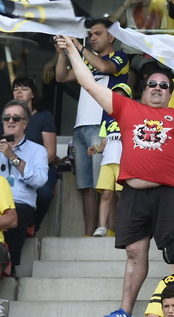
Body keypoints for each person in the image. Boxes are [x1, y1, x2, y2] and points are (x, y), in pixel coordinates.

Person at [56, 35, 174, 317]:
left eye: (163, 86)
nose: (157, 88)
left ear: (170, 94)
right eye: (152, 84)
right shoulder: (127, 108)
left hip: (169, 194)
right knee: (133, 254)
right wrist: (73, 49)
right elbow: (89, 83)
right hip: (133, 193)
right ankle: (124, 311)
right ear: (143, 91)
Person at [55, 18, 129, 237]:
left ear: (111, 37)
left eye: (97, 34)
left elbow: (105, 66)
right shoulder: (87, 60)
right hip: (80, 127)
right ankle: (89, 234)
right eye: (91, 34)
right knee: (86, 186)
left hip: (103, 126)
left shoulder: (120, 56)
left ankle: (110, 232)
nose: (92, 38)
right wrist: (63, 51)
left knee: (105, 185)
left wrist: (79, 47)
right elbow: (61, 76)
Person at [0, 100, 48, 270]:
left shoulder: (38, 151)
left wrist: (12, 156)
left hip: (20, 205)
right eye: (6, 118)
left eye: (16, 118)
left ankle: (10, 267)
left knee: (16, 217)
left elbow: (40, 181)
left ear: (25, 124)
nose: (10, 121)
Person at [12, 76, 57, 231]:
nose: (19, 92)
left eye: (24, 89)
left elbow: (51, 153)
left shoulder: (44, 116)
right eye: (16, 88)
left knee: (44, 194)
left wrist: (29, 170)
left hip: (40, 166)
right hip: (11, 167)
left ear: (33, 94)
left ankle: (32, 225)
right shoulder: (7, 118)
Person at [88, 82, 132, 236]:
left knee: (123, 195)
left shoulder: (131, 118)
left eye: (121, 97)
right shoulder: (107, 121)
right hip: (107, 161)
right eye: (115, 97)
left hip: (123, 162)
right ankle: (102, 226)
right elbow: (103, 144)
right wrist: (96, 149)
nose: (117, 100)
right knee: (106, 194)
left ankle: (123, 226)